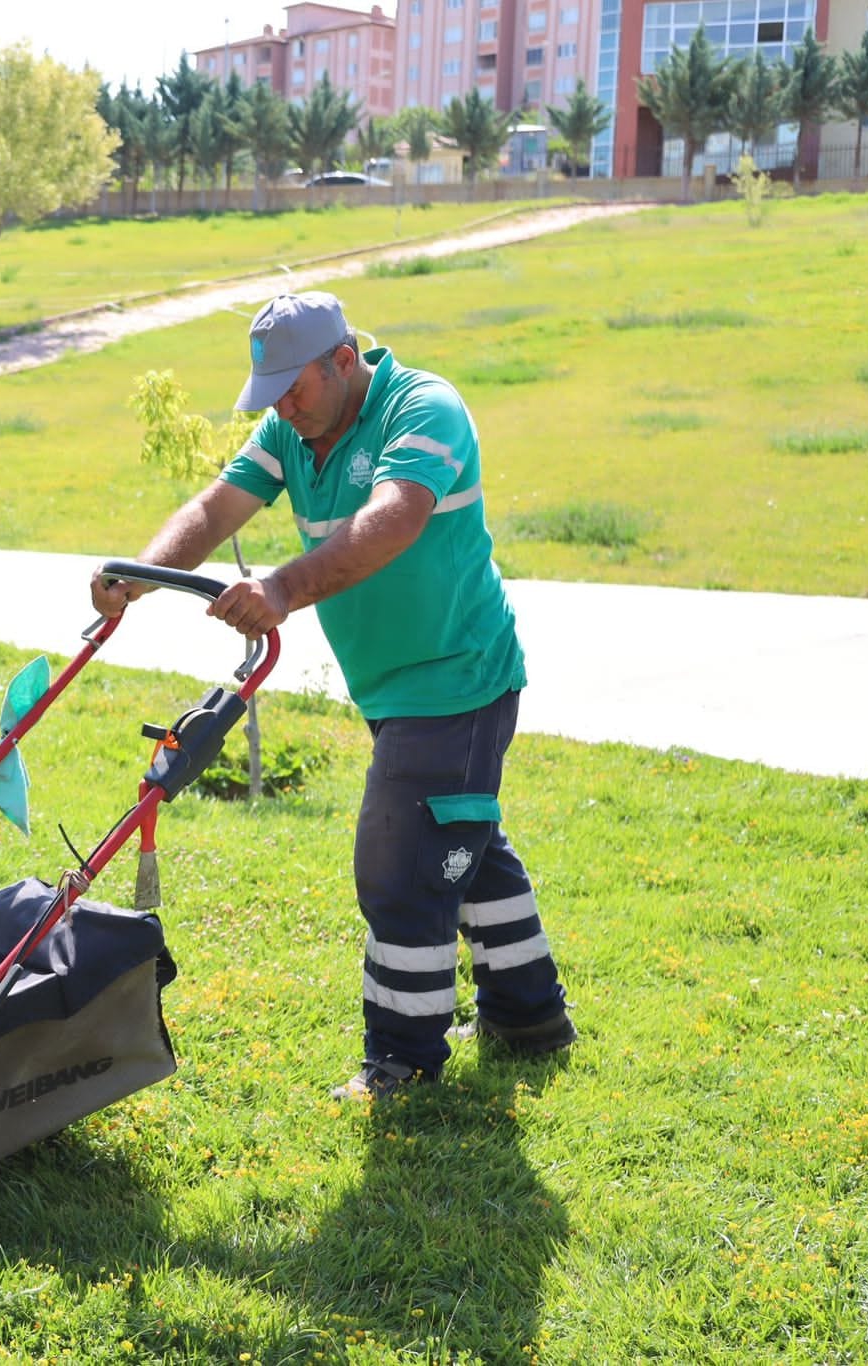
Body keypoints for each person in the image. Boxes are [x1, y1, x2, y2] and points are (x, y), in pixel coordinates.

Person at [91, 291, 574, 1101]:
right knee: (465, 845)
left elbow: (392, 519)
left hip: (457, 679)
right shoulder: (293, 427)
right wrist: (139, 575)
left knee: (400, 866)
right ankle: (529, 1019)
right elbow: (219, 504)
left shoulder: (424, 408)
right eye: (273, 391)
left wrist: (281, 588)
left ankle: (403, 1060)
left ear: (343, 361)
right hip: (394, 687)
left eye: (297, 387)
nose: (284, 405)